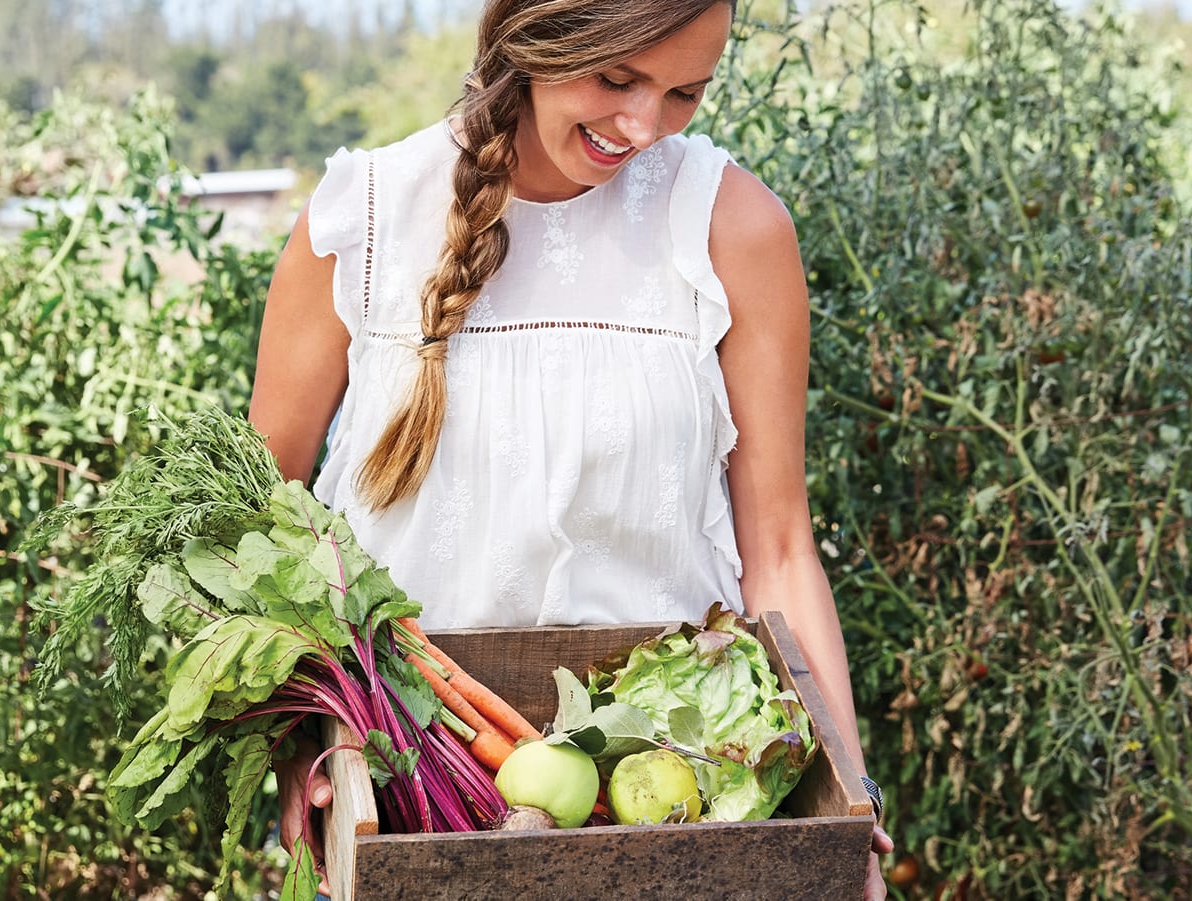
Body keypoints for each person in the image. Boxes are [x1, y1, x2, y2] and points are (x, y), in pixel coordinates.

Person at [247, 0, 895, 896]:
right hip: (413, 802)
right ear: (532, 37)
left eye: (684, 92)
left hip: (688, 823)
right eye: (616, 78)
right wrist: (295, 748)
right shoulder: (363, 222)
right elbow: (263, 530)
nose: (642, 126)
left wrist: (850, 814)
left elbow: (779, 548)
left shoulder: (731, 227)